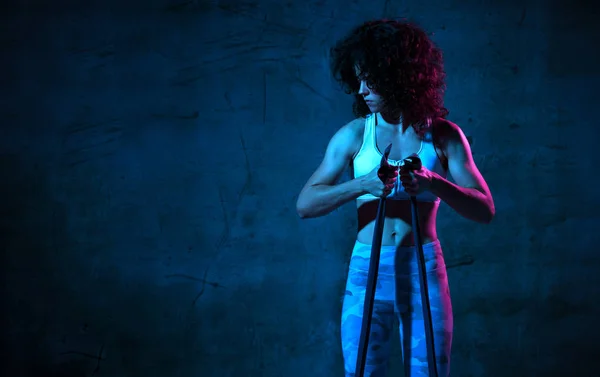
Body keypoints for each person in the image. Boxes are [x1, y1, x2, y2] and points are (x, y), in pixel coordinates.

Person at [296, 19, 495, 377]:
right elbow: (305, 205)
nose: (360, 90)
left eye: (368, 79)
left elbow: (485, 210)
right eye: (357, 79)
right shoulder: (355, 134)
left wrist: (434, 182)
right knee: (361, 372)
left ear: (397, 75)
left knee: (429, 372)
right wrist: (363, 185)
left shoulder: (444, 136)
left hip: (424, 270)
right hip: (366, 267)